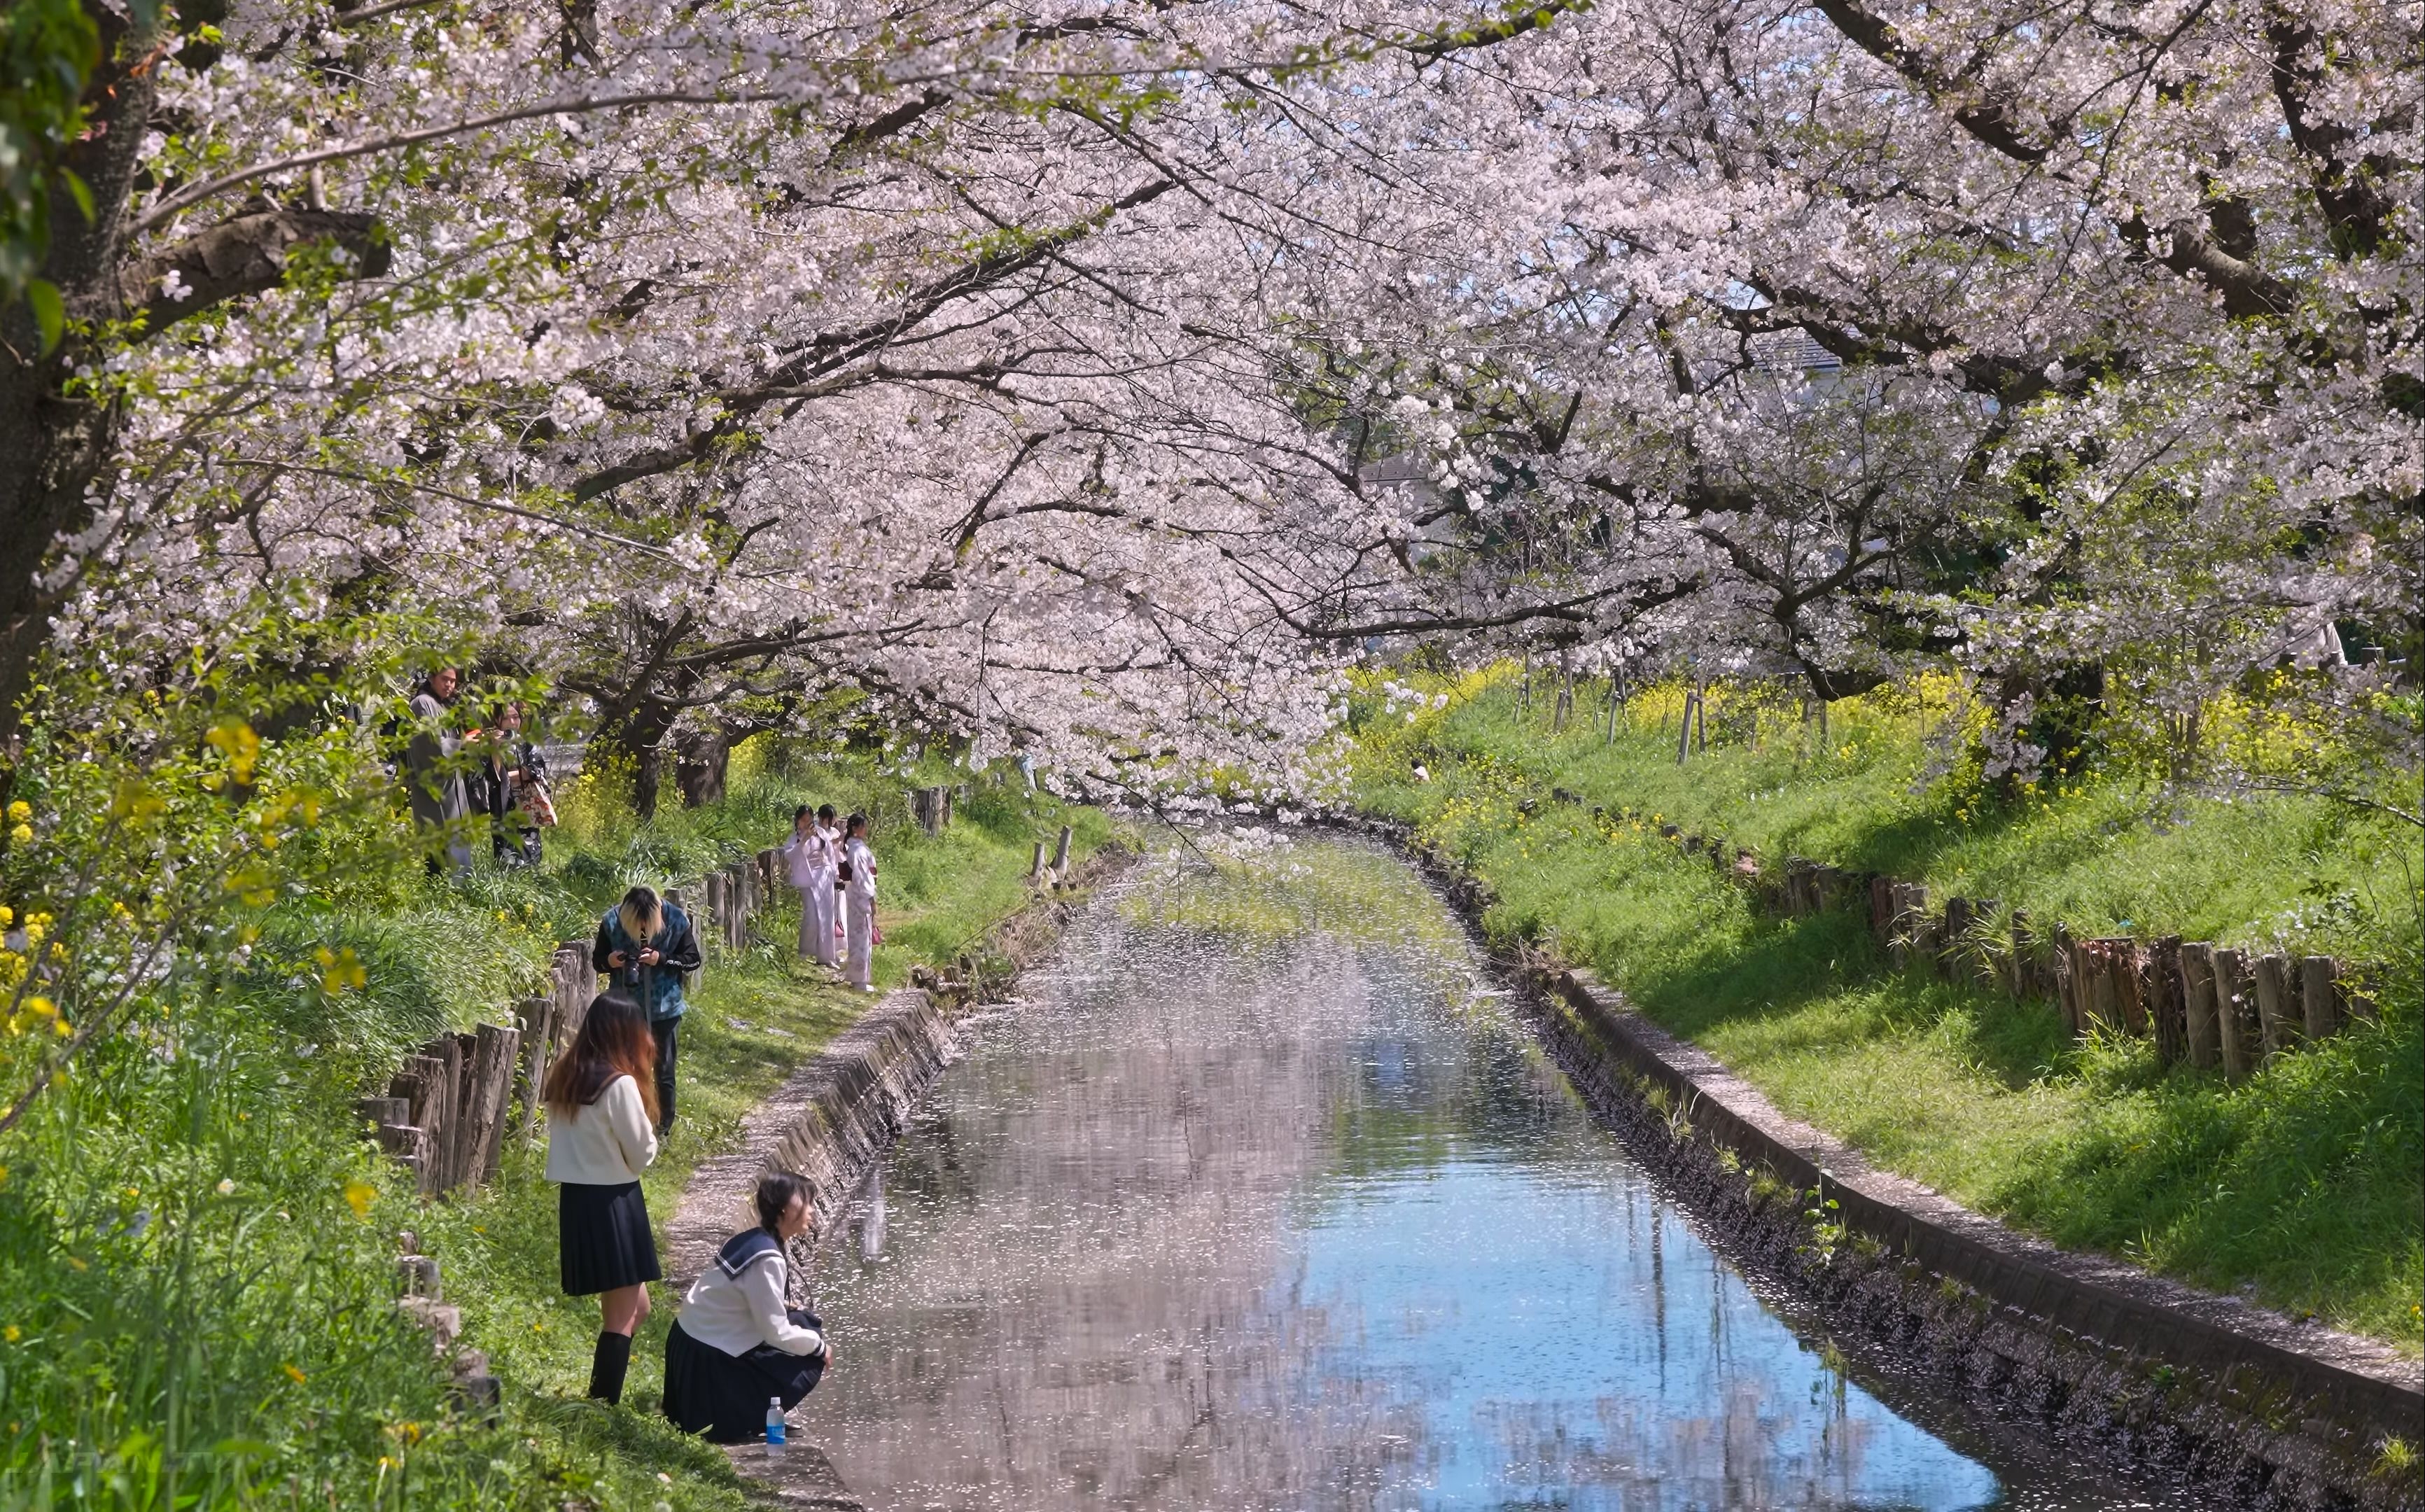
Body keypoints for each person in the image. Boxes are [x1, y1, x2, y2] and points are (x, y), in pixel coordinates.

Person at [542, 992, 662, 1406]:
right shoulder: (620, 1083)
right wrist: (650, 1133)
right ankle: (600, 1404)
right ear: (625, 1035)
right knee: (622, 1317)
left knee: (637, 1307)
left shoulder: (565, 1076)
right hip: (615, 1203)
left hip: (578, 1202)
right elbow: (642, 1152)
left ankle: (600, 1397)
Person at [662, 1171, 834, 1443]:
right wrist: (820, 1347)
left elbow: (740, 1295)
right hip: (707, 1362)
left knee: (802, 1321)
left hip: (691, 1347)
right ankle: (750, 1415)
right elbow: (776, 1334)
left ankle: (753, 1409)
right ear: (785, 1209)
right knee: (809, 1355)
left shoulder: (754, 1238)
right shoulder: (768, 1258)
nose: (812, 1211)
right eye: (806, 1203)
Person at [592, 886, 703, 1136]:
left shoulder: (675, 920)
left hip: (666, 1009)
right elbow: (597, 961)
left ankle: (663, 1129)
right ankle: (627, 1126)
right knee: (624, 1069)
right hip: (625, 1010)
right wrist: (611, 962)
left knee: (664, 1070)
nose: (641, 928)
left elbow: (693, 960)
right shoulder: (612, 921)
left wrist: (661, 958)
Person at [405, 668, 477, 875]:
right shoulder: (422, 703)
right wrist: (462, 743)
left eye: (453, 681)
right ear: (431, 678)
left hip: (451, 786)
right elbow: (431, 743)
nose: (449, 685)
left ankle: (460, 894)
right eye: (445, 679)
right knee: (438, 851)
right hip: (434, 789)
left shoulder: (445, 706)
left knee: (457, 842)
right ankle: (441, 897)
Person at [476, 701, 551, 867]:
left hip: (526, 804)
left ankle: (531, 884)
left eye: (516, 717)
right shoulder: (488, 746)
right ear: (497, 720)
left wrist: (507, 776)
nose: (512, 723)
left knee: (531, 851)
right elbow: (490, 776)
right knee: (505, 854)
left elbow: (536, 771)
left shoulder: (527, 744)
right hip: (503, 806)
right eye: (506, 718)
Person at [781, 804, 840, 966]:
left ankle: (827, 956)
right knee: (812, 915)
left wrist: (834, 872)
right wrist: (804, 840)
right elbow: (790, 856)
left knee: (827, 917)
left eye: (809, 819)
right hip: (808, 878)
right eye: (803, 820)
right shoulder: (795, 838)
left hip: (824, 875)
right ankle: (805, 950)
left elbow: (830, 854)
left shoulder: (820, 833)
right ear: (798, 821)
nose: (807, 823)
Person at [841, 813, 877, 993]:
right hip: (860, 895)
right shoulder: (856, 851)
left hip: (855, 894)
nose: (865, 830)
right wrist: (871, 897)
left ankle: (859, 977)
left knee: (860, 936)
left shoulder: (854, 847)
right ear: (855, 828)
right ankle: (859, 980)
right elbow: (863, 877)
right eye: (863, 826)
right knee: (861, 937)